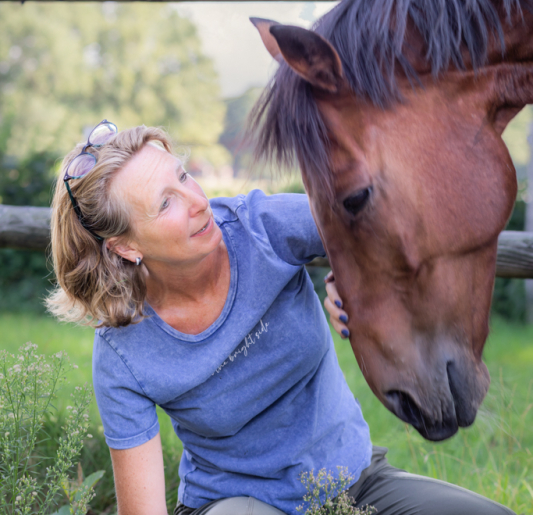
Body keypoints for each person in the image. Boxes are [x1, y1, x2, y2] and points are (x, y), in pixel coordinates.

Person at [48, 121, 515, 515]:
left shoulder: (260, 227)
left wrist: (352, 283)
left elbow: (386, 227)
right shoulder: (123, 351)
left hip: (355, 481)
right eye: (165, 202)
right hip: (239, 502)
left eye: (185, 176)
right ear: (125, 247)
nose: (197, 201)